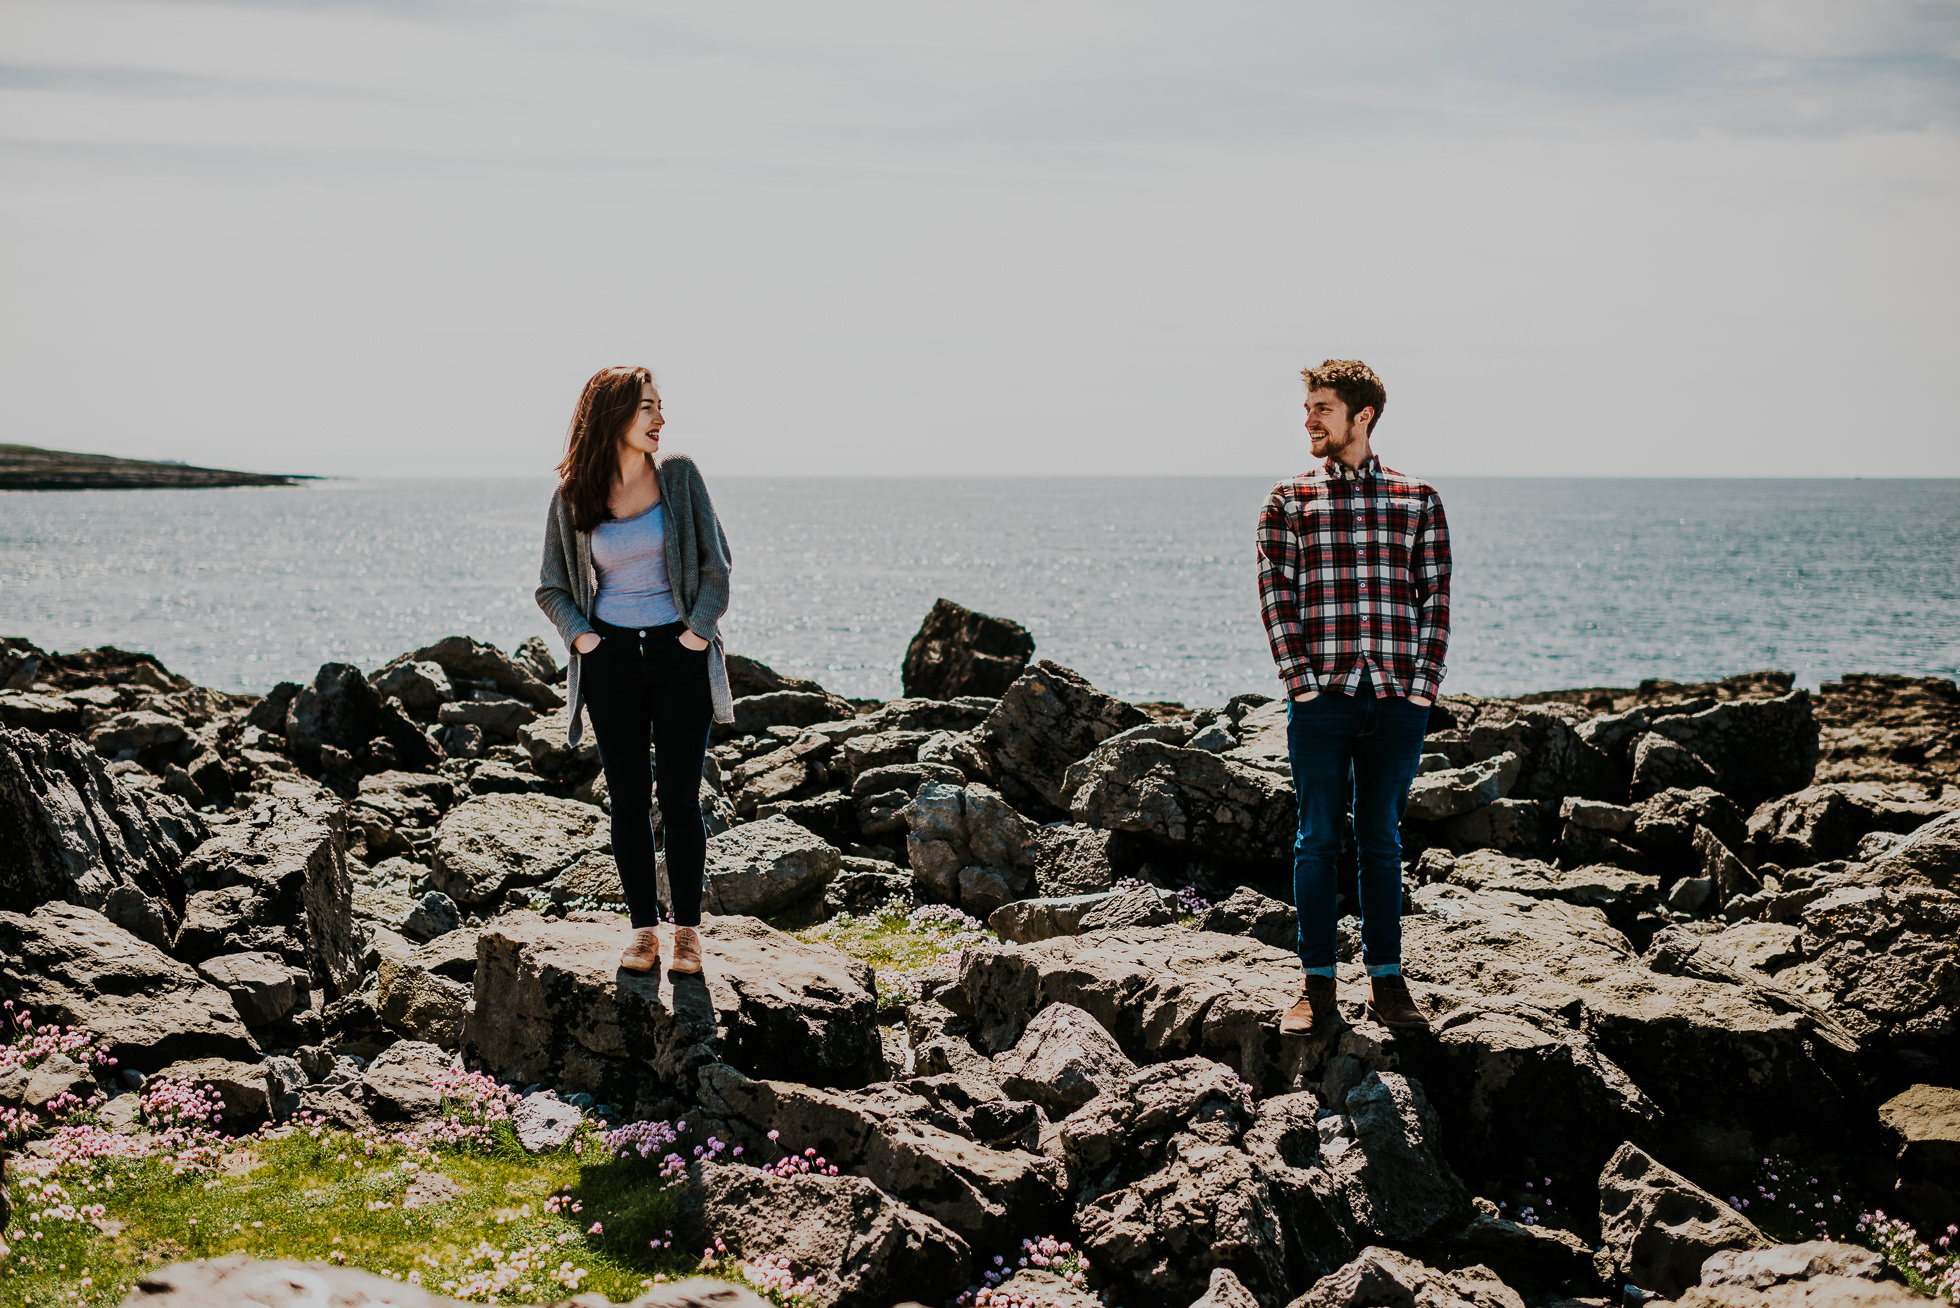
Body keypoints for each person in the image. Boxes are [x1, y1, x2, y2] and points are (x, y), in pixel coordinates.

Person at [1255, 359, 1451, 1036]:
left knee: (1382, 841)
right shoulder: (1288, 499)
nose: (1309, 420)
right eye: (1308, 408)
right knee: (1316, 840)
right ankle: (1317, 988)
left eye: (1322, 408)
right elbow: (1275, 598)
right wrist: (1301, 684)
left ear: (1361, 416)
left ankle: (1388, 984)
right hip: (1322, 699)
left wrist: (1421, 689)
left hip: (1397, 697)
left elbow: (1436, 601)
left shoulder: (1417, 498)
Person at [536, 366, 734, 975]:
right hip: (611, 662)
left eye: (659, 407)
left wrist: (698, 634)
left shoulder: (678, 476)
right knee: (626, 801)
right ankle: (643, 933)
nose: (659, 418)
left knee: (679, 799)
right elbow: (551, 588)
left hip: (681, 657)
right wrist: (587, 640)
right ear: (613, 415)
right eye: (647, 407)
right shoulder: (575, 494)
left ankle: (688, 935)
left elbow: (716, 566)